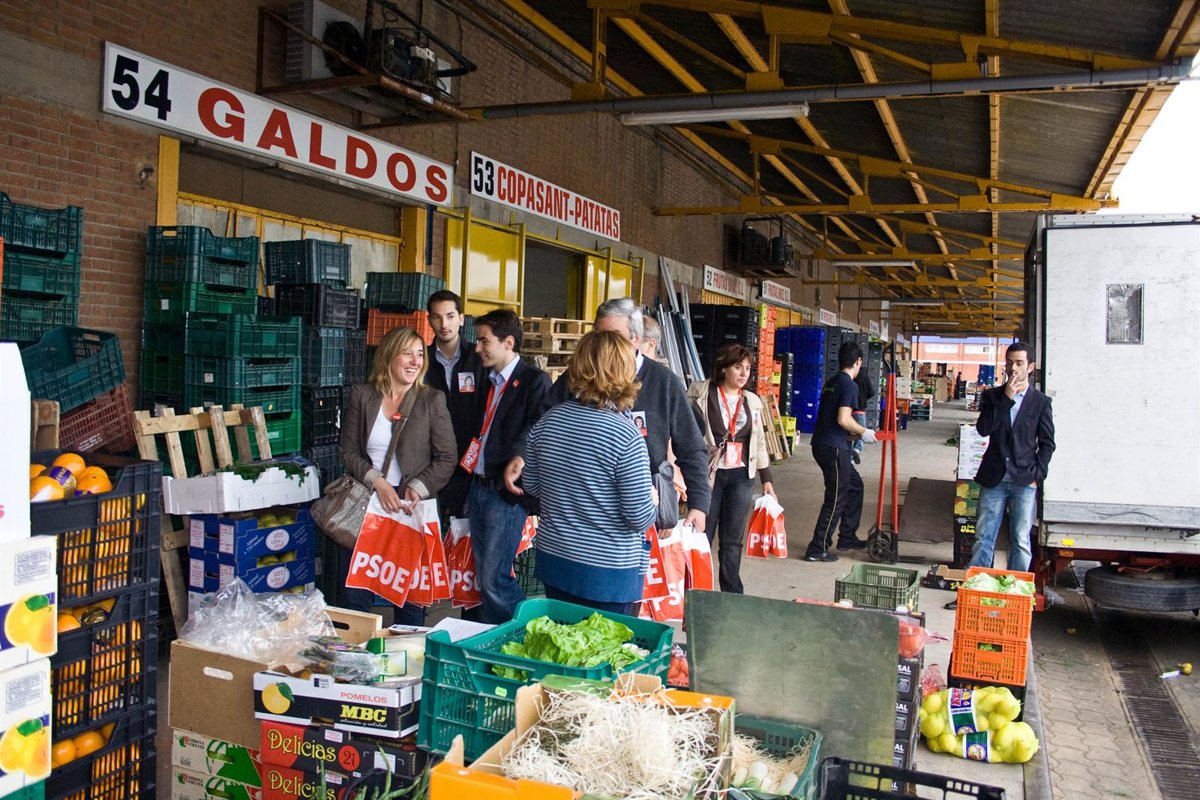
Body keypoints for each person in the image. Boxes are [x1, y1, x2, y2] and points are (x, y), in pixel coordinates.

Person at [505, 298, 711, 533]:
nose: (602, 345)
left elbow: (691, 447)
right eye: (597, 335)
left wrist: (699, 503)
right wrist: (521, 455)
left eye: (612, 337)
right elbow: (540, 425)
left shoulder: (664, 382)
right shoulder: (576, 378)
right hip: (582, 507)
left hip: (644, 508)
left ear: (636, 339)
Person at [522, 331, 657, 614]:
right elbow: (639, 517)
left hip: (556, 559)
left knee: (561, 637)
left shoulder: (548, 421)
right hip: (608, 571)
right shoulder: (626, 436)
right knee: (604, 640)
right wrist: (653, 499)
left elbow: (532, 486)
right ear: (623, 371)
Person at [340, 326, 457, 624]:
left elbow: (447, 457)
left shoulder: (431, 400)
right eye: (407, 353)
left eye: (420, 355)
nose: (416, 361)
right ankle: (358, 650)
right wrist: (378, 482)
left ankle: (406, 652)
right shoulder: (362, 395)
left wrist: (417, 487)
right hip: (369, 506)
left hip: (410, 510)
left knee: (409, 601)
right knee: (355, 593)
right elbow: (349, 452)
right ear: (389, 356)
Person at [945, 343, 1055, 608]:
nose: (1013, 368)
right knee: (984, 537)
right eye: (1010, 362)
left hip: (1024, 480)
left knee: (1020, 540)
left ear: (1030, 367)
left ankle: (1014, 597)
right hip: (994, 478)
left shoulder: (1041, 402)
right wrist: (1005, 398)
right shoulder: (994, 396)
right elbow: (983, 429)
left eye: (1019, 363)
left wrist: (1037, 475)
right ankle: (975, 594)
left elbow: (1047, 443)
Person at [465, 308, 552, 623]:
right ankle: (499, 638)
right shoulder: (486, 380)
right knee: (485, 577)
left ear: (508, 343)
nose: (477, 348)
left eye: (484, 341)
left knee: (495, 578)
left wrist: (519, 455)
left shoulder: (534, 381)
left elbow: (538, 427)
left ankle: (529, 629)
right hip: (478, 487)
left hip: (504, 494)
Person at [686, 343, 774, 594]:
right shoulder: (699, 393)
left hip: (741, 476)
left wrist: (766, 479)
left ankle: (732, 592)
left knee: (732, 540)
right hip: (709, 475)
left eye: (748, 368)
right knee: (702, 533)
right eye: (738, 367)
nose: (744, 373)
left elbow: (759, 442)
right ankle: (698, 590)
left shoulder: (752, 401)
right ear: (724, 368)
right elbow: (685, 432)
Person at [804, 342, 877, 563]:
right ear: (858, 362)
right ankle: (817, 548)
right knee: (836, 497)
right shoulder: (849, 385)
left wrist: (854, 435)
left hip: (825, 443)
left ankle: (847, 537)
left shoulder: (832, 382)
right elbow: (843, 419)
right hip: (833, 448)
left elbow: (832, 419)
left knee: (855, 486)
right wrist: (863, 431)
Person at [424, 289, 485, 522]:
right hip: (432, 458)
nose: (444, 324)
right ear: (429, 320)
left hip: (471, 457)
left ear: (461, 319)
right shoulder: (423, 360)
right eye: (437, 317)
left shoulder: (478, 358)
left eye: (450, 316)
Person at [851, 368, 876, 465]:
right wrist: (863, 398)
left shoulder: (849, 375)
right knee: (861, 432)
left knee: (849, 434)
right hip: (860, 410)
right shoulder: (864, 376)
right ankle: (856, 450)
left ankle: (849, 455)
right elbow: (872, 393)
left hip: (847, 409)